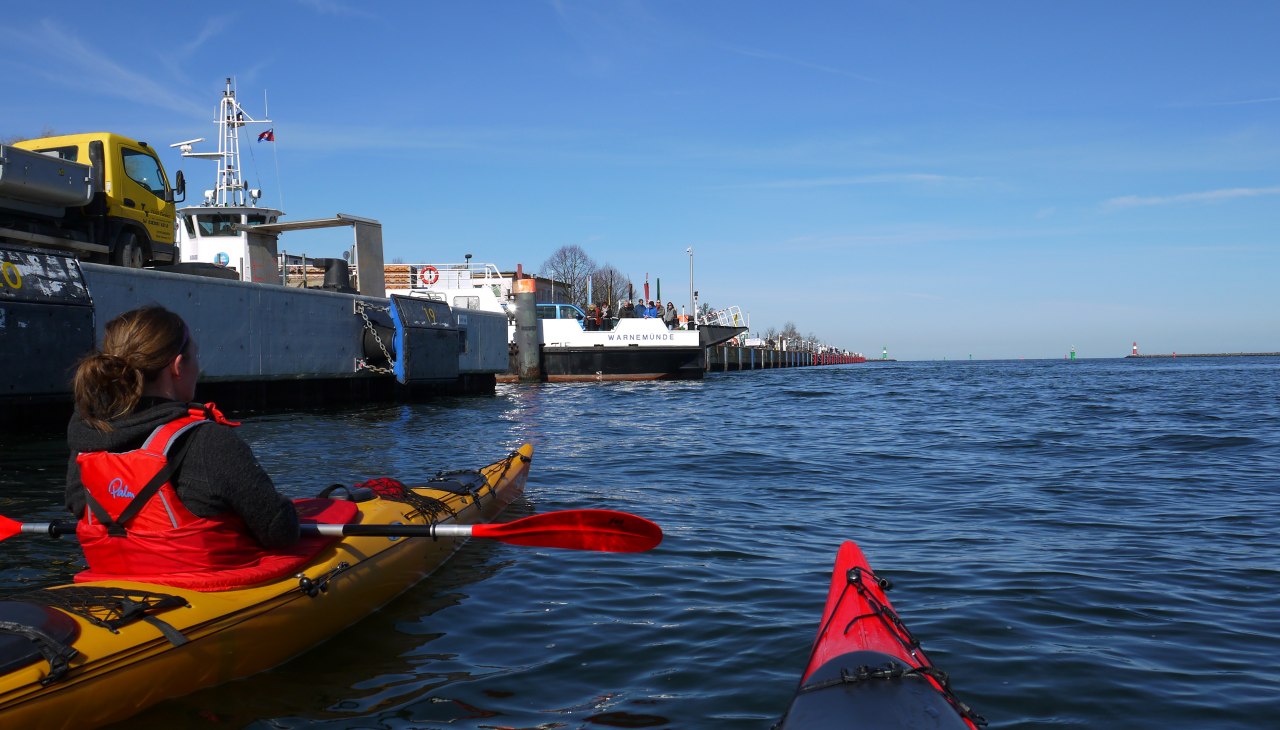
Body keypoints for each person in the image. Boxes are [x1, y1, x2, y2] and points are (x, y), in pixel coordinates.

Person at [65, 305, 320, 589]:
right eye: (195, 357)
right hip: (203, 590)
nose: (198, 368)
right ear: (177, 366)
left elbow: (77, 504)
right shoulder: (210, 441)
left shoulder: (87, 439)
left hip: (113, 584)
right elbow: (280, 532)